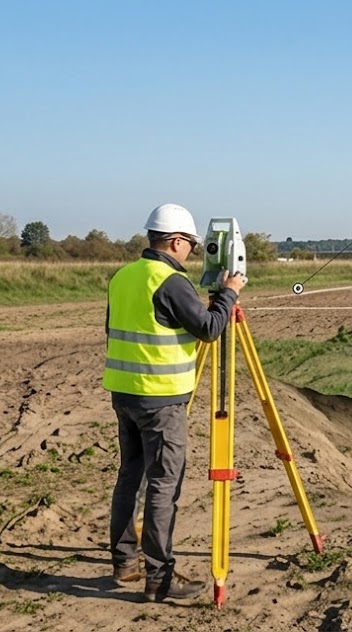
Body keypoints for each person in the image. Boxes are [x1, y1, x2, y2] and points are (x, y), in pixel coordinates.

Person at [104, 203, 245, 602]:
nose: (193, 252)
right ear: (177, 240)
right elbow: (209, 329)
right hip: (160, 400)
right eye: (191, 245)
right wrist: (228, 295)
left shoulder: (123, 277)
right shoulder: (170, 281)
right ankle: (160, 579)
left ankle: (124, 563)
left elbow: (114, 331)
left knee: (130, 476)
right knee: (164, 485)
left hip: (124, 392)